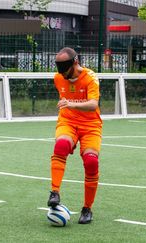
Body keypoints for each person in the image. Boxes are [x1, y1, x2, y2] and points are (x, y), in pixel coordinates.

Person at [47, 47, 102, 224]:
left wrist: (70, 103)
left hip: (90, 125)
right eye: (60, 71)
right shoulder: (58, 78)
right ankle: (54, 192)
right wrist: (69, 107)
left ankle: (87, 208)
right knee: (61, 145)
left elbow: (93, 104)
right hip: (68, 122)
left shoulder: (91, 78)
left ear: (75, 63)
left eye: (66, 71)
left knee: (91, 161)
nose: (63, 75)